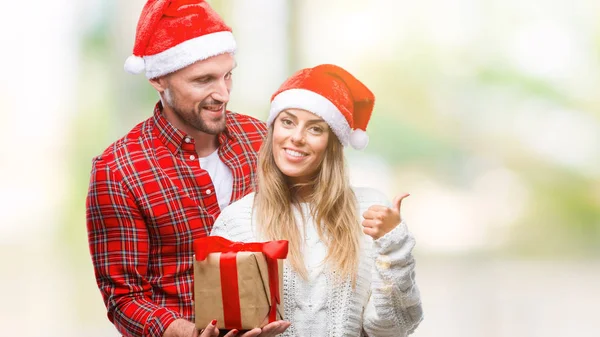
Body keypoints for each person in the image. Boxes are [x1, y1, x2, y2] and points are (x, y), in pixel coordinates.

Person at [85, 1, 290, 336]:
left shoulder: (260, 139)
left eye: (228, 76)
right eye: (203, 80)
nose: (222, 93)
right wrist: (182, 331)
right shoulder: (118, 171)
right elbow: (124, 297)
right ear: (159, 79)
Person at [210, 64, 424, 337]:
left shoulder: (368, 210)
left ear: (333, 143)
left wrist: (394, 248)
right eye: (287, 122)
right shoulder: (237, 221)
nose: (296, 138)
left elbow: (393, 328)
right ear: (273, 129)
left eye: (315, 129)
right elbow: (227, 326)